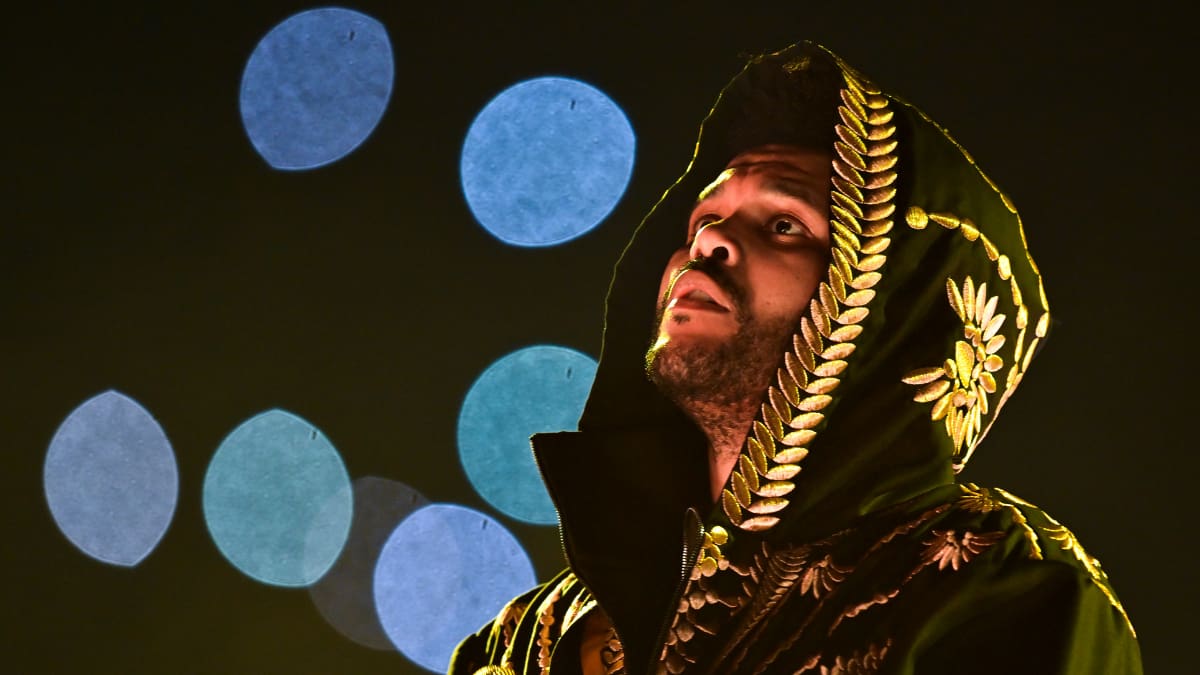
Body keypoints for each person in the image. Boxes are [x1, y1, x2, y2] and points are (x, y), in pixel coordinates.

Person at [450, 41, 1142, 675]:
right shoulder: (535, 632)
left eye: (784, 224)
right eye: (704, 219)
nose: (709, 241)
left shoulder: (1000, 591)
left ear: (891, 313)